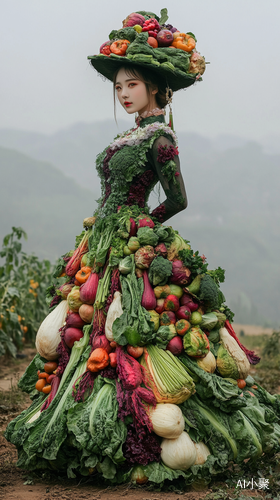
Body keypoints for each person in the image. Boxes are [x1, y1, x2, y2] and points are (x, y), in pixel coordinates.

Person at [5, 9, 280, 488]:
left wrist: (143, 225)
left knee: (134, 331)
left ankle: (161, 428)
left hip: (135, 241)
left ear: (154, 86)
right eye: (118, 87)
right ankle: (85, 421)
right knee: (88, 331)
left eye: (130, 84)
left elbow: (178, 199)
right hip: (104, 238)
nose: (123, 92)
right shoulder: (126, 135)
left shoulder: (162, 138)